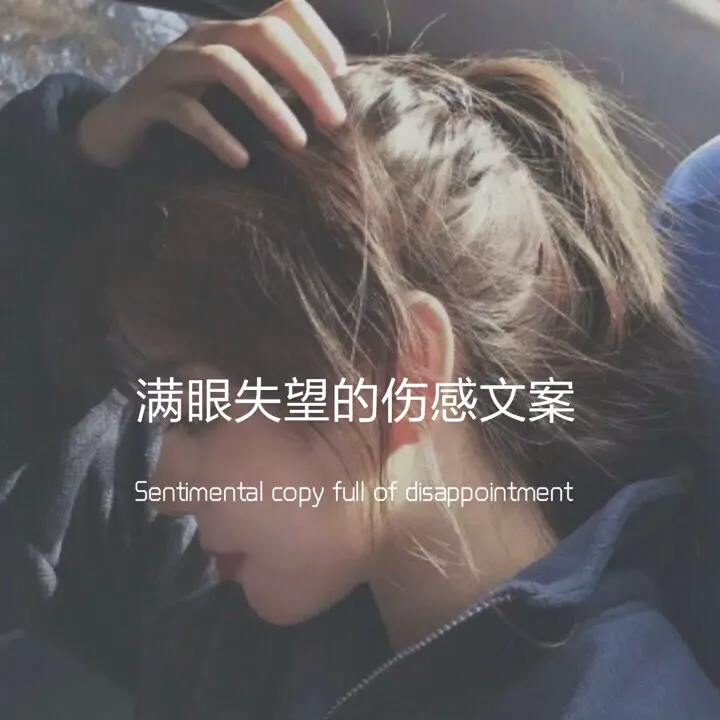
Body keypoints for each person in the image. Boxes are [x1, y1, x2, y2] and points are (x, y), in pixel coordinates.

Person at [2, 1, 720, 718]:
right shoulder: (230, 597)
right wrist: (60, 176)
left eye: (199, 413)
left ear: (402, 373)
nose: (165, 488)